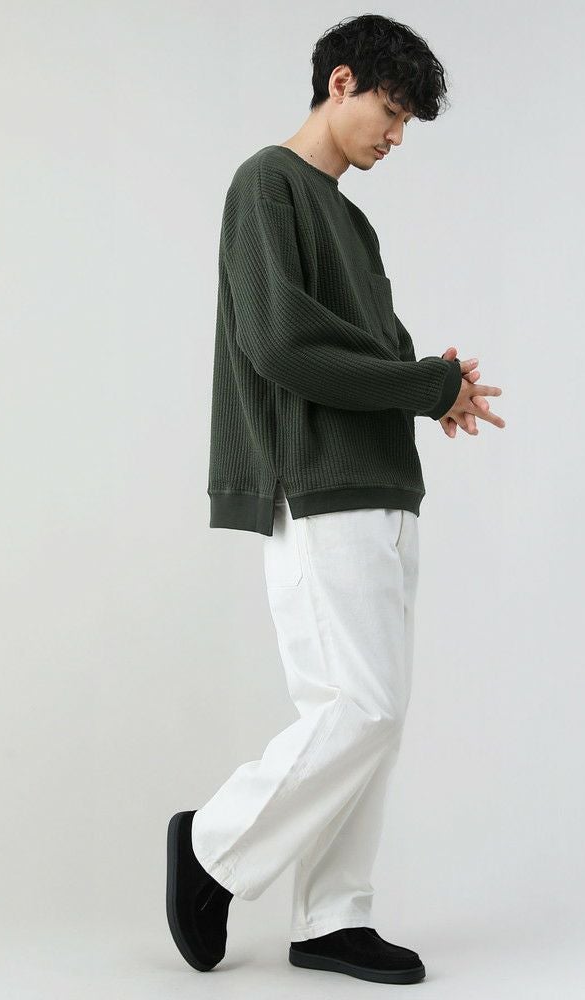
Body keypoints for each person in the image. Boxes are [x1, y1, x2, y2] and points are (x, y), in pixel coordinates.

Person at [167, 13, 505, 985]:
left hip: (381, 480)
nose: (395, 137)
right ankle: (212, 846)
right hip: (316, 482)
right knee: (361, 709)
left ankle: (331, 917)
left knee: (367, 722)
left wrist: (433, 387)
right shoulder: (266, 184)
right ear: (340, 81)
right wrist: (422, 384)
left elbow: (367, 354)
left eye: (405, 124)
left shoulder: (348, 216)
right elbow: (280, 345)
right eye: (389, 112)